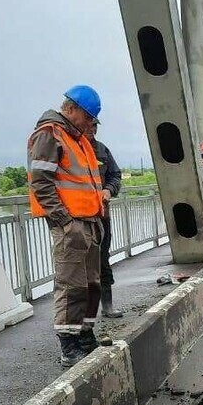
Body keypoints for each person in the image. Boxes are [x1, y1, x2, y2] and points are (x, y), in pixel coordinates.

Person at [27, 85, 105, 368]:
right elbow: (41, 182)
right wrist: (64, 220)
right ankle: (68, 345)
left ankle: (85, 336)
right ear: (71, 109)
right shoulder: (50, 134)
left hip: (89, 222)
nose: (90, 124)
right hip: (71, 224)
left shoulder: (79, 138)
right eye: (88, 117)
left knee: (91, 285)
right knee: (71, 285)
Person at [85, 120, 123, 319]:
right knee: (81, 265)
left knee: (102, 259)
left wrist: (109, 190)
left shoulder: (102, 150)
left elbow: (115, 175)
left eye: (95, 126)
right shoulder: (71, 148)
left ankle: (107, 305)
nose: (92, 130)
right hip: (79, 219)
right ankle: (83, 314)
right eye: (88, 125)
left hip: (101, 216)